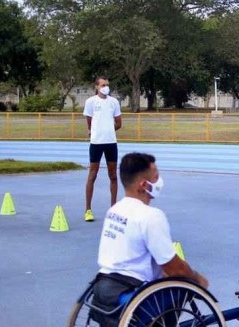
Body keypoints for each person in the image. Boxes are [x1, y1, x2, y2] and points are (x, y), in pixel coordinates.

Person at [92, 152, 208, 326]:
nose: (159, 182)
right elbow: (173, 266)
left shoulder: (114, 211)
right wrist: (197, 279)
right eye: (156, 178)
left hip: (103, 290)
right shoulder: (151, 216)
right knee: (183, 282)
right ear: (143, 185)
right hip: (133, 294)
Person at [83, 76, 122, 222]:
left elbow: (119, 123)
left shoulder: (114, 102)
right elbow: (89, 121)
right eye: (103, 85)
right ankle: (88, 210)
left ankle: (113, 209)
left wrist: (108, 130)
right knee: (92, 175)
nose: (106, 87)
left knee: (113, 175)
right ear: (97, 87)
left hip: (111, 143)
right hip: (96, 143)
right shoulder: (91, 102)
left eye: (107, 84)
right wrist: (94, 131)